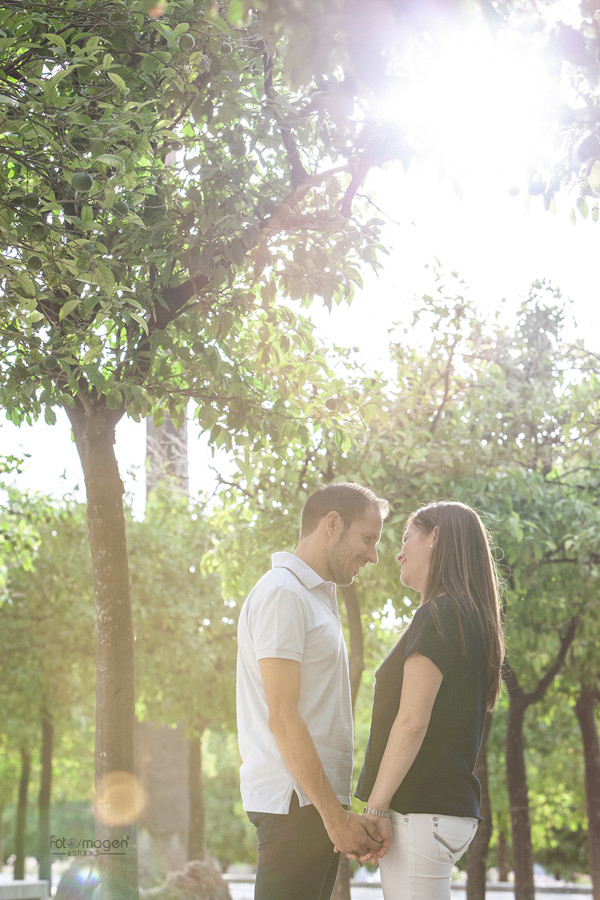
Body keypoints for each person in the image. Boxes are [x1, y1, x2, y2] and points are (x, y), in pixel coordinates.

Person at [236, 482, 390, 900]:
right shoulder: (283, 594)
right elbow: (282, 716)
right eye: (367, 539)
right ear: (332, 524)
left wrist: (336, 812)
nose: (373, 555)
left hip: (312, 806)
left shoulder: (314, 596)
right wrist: (333, 817)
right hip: (295, 804)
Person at [354, 500, 505, 900]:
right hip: (441, 811)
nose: (398, 553)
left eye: (406, 538)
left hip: (419, 812)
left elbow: (412, 723)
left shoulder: (439, 615)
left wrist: (375, 808)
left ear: (435, 537)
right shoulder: (468, 617)